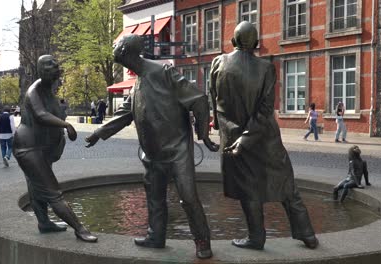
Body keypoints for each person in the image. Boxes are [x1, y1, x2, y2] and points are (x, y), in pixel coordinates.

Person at [85, 34, 219, 259]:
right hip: (152, 153)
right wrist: (99, 133)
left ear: (127, 51)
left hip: (178, 151)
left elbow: (198, 99)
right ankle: (155, 236)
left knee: (188, 197)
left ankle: (202, 241)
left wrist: (203, 134)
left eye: (116, 44)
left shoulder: (163, 72)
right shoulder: (137, 83)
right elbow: (124, 115)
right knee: (155, 197)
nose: (113, 47)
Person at [209, 21, 318, 250]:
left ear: (233, 41)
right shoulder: (267, 68)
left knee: (248, 189)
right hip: (265, 137)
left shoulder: (218, 62)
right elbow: (266, 110)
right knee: (287, 184)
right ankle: (307, 234)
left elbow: (214, 101)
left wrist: (229, 133)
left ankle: (256, 237)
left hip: (233, 137)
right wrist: (248, 137)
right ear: (257, 44)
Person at [12, 55, 97, 243]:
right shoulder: (33, 91)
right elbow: (41, 115)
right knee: (52, 191)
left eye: (56, 63)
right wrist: (66, 125)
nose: (56, 66)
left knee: (35, 188)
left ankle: (44, 223)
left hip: (42, 149)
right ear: (41, 70)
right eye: (50, 64)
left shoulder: (49, 90)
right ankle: (80, 229)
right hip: (29, 148)